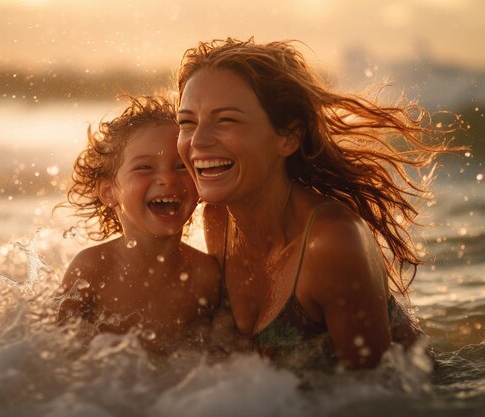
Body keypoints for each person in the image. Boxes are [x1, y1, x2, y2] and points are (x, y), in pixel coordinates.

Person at [176, 38, 453, 369]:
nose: (199, 140)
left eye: (225, 120)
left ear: (289, 137)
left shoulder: (332, 242)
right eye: (187, 122)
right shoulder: (218, 218)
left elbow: (378, 393)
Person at [56, 96, 221, 353]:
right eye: (144, 168)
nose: (167, 178)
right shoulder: (92, 270)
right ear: (110, 192)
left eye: (181, 166)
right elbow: (51, 355)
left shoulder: (206, 275)